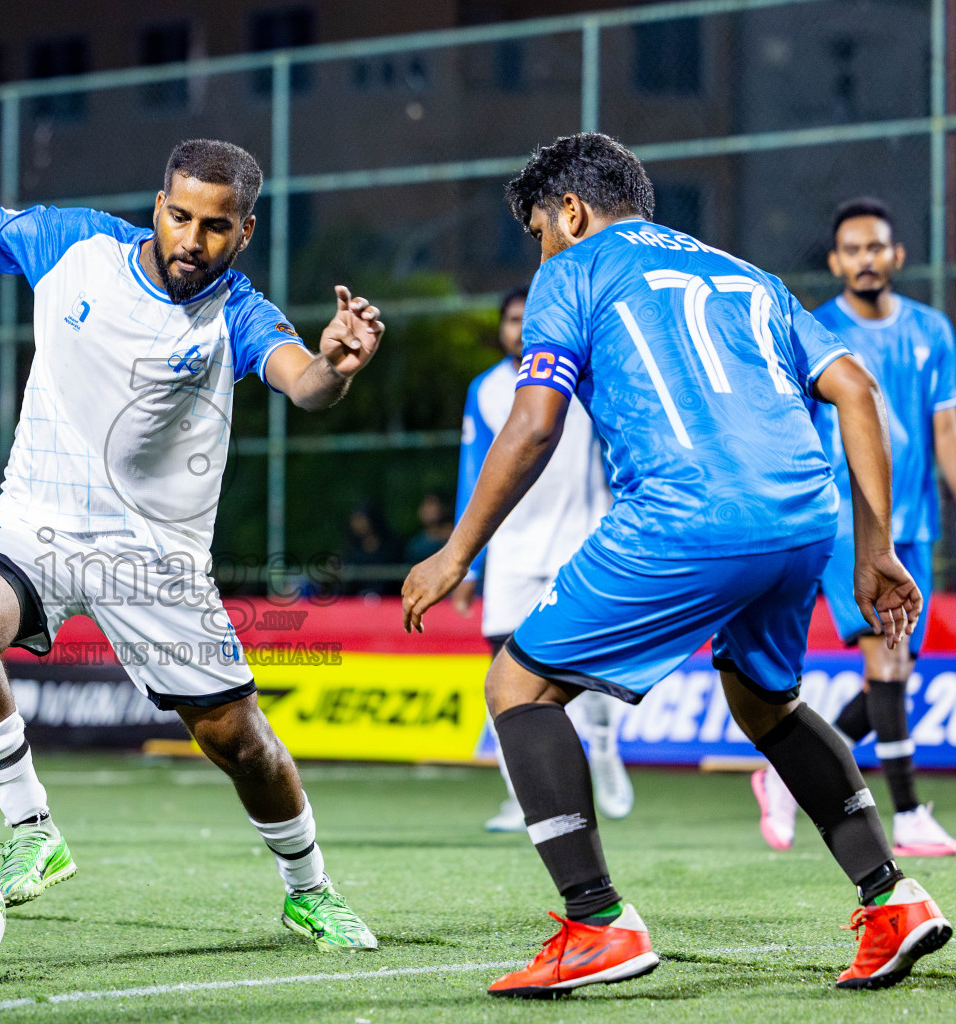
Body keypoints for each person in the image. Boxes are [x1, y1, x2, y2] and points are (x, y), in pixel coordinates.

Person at [0, 61, 384, 948]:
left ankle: (309, 886)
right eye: (180, 216)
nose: (193, 239)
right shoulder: (72, 245)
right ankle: (32, 831)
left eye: (217, 227)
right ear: (159, 204)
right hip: (40, 518)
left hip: (156, 556)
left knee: (239, 742)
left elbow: (305, 385)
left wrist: (334, 363)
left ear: (244, 233)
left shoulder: (238, 314)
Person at [402, 132, 948, 996]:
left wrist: (455, 552)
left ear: (571, 212)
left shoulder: (572, 271)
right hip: (805, 513)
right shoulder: (745, 275)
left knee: (517, 687)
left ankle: (596, 924)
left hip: (688, 512)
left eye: (541, 228)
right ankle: (892, 899)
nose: (541, 245)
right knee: (766, 702)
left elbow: (535, 421)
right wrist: (873, 547)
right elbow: (858, 393)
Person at [751, 199, 956, 859]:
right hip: (846, 524)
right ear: (837, 261)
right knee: (887, 659)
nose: (866, 259)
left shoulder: (934, 331)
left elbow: (947, 429)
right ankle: (910, 811)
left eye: (877, 248)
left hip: (916, 523)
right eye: (852, 250)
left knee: (890, 678)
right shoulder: (813, 330)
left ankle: (783, 775)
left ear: (895, 256)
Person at [451, 286, 629, 832]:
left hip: (582, 542)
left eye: (530, 319)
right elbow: (472, 476)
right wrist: (468, 560)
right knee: (503, 677)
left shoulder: (585, 376)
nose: (520, 328)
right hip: (510, 553)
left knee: (587, 670)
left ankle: (603, 750)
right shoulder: (485, 390)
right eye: (511, 319)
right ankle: (520, 798)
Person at [341, 503, 403, 596]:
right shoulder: (351, 552)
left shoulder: (393, 548)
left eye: (360, 519)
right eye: (355, 520)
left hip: (389, 601)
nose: (357, 524)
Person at [402, 493, 451, 564]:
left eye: (433, 504)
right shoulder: (415, 545)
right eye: (426, 505)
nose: (429, 510)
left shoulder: (453, 536)